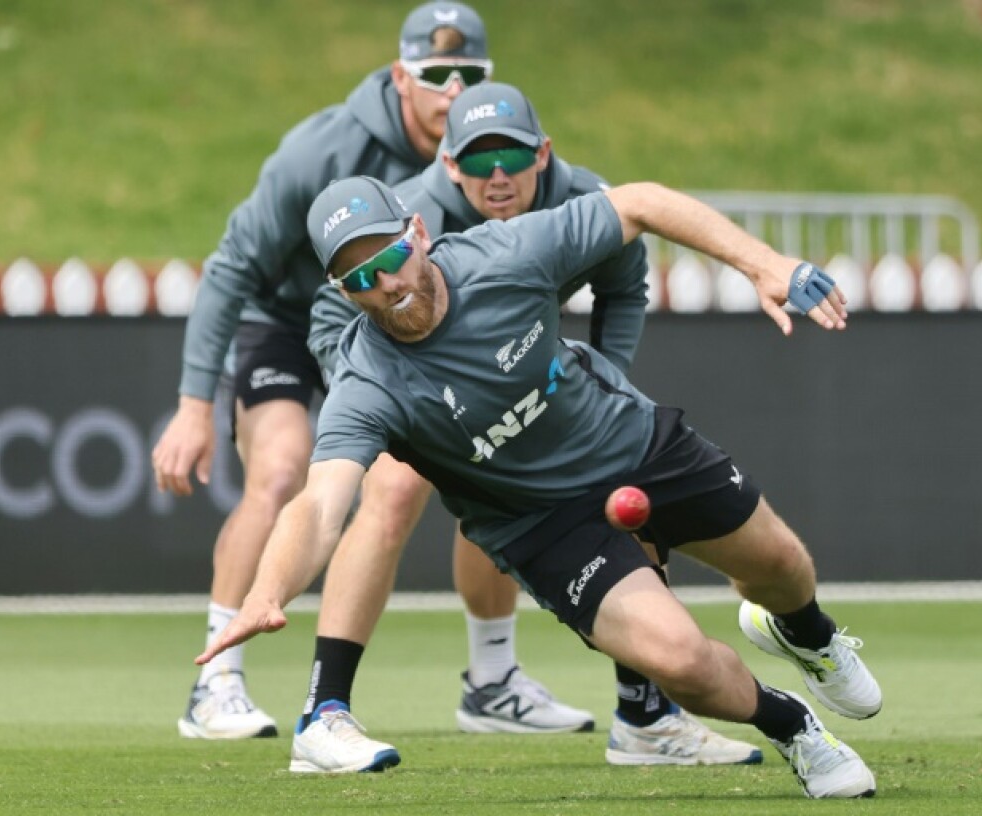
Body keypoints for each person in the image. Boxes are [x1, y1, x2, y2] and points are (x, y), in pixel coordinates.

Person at [198, 175, 883, 799]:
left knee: (781, 566)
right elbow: (321, 504)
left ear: (419, 233)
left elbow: (641, 203)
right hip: (544, 527)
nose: (385, 283)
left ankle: (808, 634)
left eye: (390, 255)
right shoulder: (366, 380)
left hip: (636, 446)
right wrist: (267, 590)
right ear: (342, 292)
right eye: (358, 278)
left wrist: (762, 264)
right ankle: (793, 725)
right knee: (682, 662)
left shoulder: (506, 255)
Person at [292, 81, 762, 773]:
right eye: (476, 162)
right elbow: (334, 320)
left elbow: (622, 285)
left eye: (511, 157)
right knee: (391, 493)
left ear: (542, 154)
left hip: (523, 367)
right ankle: (330, 708)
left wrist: (601, 382)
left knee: (610, 461)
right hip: (389, 364)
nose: (497, 176)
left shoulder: (578, 195)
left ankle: (642, 714)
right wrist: (398, 402)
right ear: (448, 166)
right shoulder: (408, 222)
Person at [151, 1, 586, 742]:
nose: (453, 89)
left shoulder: (481, 159)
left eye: (469, 73)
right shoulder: (319, 149)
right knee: (282, 471)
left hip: (398, 326)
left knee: (486, 457)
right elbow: (231, 268)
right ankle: (215, 683)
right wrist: (195, 405)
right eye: (435, 74)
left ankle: (492, 681)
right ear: (400, 76)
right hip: (288, 324)